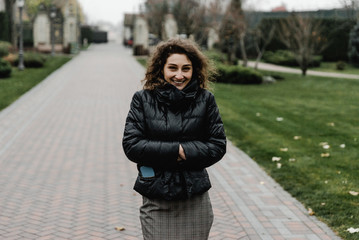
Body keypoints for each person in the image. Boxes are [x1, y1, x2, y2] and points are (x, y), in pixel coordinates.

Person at [122, 38, 226, 240]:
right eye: (173, 68)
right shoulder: (142, 99)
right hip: (157, 196)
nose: (180, 75)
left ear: (194, 70)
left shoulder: (206, 100)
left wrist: (184, 151)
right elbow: (132, 145)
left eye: (186, 69)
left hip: (195, 196)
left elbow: (217, 145)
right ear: (161, 68)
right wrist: (174, 151)